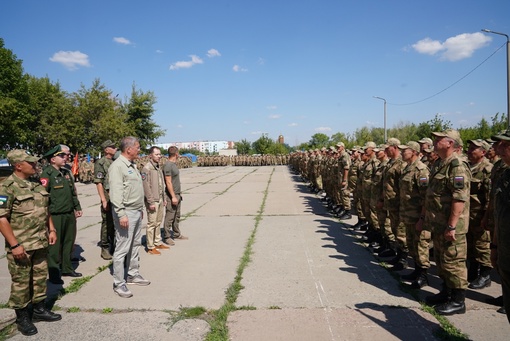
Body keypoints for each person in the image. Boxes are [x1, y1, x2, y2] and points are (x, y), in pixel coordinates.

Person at [0, 150, 62, 336]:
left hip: (40, 241)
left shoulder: (36, 185)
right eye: (31, 163)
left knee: (39, 278)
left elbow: (46, 210)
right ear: (18, 165)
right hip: (22, 245)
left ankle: (39, 309)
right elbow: (2, 218)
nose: (35, 166)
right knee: (21, 282)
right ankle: (22, 318)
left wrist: (51, 229)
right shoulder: (7, 187)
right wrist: (14, 245)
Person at [424, 129, 471, 315]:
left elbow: (459, 198)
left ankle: (458, 301)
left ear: (450, 143)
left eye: (438, 139)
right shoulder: (440, 163)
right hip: (439, 223)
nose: (434, 141)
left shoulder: (457, 165)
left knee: (454, 262)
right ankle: (446, 292)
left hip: (452, 226)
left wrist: (452, 225)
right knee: (442, 261)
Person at [108, 136, 150, 298]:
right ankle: (119, 283)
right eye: (137, 147)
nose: (139, 150)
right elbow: (116, 193)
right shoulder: (118, 166)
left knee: (135, 245)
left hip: (135, 211)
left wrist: (140, 208)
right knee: (122, 248)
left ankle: (132, 273)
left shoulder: (131, 165)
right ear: (129, 149)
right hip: (125, 212)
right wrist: (121, 214)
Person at [40, 145, 83, 284]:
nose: (66, 158)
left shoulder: (65, 172)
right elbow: (43, 198)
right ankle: (53, 273)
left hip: (69, 213)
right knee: (55, 245)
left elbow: (72, 192)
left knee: (69, 242)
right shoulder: (47, 174)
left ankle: (67, 268)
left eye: (65, 156)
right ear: (53, 159)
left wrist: (77, 206)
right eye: (62, 156)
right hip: (55, 215)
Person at [398, 142, 430, 288]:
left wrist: (422, 218)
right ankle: (416, 271)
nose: (402, 152)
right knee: (411, 244)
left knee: (421, 245)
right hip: (408, 215)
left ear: (415, 152)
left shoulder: (421, 170)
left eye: (405, 150)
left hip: (418, 216)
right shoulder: (407, 168)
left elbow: (426, 198)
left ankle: (423, 275)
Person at [466, 139, 493, 289]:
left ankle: (485, 275)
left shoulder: (487, 170)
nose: (469, 151)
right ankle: (473, 271)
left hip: (480, 215)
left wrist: (486, 217)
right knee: (470, 244)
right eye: (469, 148)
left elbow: (489, 197)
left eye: (473, 149)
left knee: (482, 245)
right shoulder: (468, 167)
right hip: (468, 215)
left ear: (483, 152)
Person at [490, 130, 510, 322]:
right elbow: (500, 215)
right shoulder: (505, 175)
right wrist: (495, 246)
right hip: (505, 250)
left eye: (506, 145)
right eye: (500, 145)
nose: (499, 149)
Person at [141, 146, 169, 255]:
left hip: (160, 199)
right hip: (152, 200)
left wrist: (164, 198)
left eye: (160, 154)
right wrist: (150, 202)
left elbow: (161, 184)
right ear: (150, 155)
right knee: (151, 223)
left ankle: (157, 242)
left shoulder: (157, 167)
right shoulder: (147, 168)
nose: (159, 156)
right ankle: (150, 246)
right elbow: (146, 186)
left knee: (158, 222)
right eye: (157, 154)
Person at [94, 140, 117, 260]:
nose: (115, 148)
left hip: (116, 196)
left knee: (115, 223)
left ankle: (114, 244)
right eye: (112, 147)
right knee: (106, 223)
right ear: (106, 150)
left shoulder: (115, 162)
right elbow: (99, 183)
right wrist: (103, 199)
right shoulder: (101, 163)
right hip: (107, 197)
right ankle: (105, 247)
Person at [163, 146, 188, 243]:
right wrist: (173, 196)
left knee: (177, 216)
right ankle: (167, 236)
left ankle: (176, 233)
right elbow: (168, 182)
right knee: (170, 216)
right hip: (172, 195)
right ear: (176, 154)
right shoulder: (168, 165)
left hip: (177, 194)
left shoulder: (173, 164)